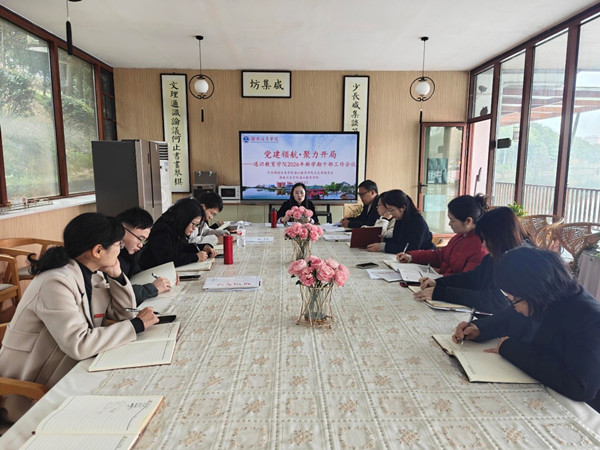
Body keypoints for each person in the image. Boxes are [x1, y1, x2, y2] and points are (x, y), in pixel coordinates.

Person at [0, 213, 158, 423]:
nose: (120, 250)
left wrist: (118, 276)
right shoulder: (55, 282)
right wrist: (136, 325)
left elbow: (123, 314)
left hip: (63, 370)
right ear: (98, 250)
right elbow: (79, 344)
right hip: (29, 391)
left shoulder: (93, 273)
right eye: (118, 245)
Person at [453, 247, 600, 412]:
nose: (513, 306)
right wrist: (478, 328)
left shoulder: (590, 318)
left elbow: (580, 386)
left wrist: (510, 349)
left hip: (578, 411)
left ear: (534, 292)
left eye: (514, 300)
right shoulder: (545, 298)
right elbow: (507, 318)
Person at [414, 206, 531, 313]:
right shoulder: (495, 256)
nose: (483, 244)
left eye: (487, 239)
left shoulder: (521, 262)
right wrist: (438, 283)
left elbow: (495, 300)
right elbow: (472, 278)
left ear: (500, 238)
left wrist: (442, 293)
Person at [396, 194, 488, 275]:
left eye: (452, 221)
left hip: (448, 286)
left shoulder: (479, 248)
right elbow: (440, 255)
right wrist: (412, 257)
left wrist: (439, 279)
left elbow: (465, 280)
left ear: (468, 221)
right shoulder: (460, 236)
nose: (449, 224)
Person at [139, 198, 216, 269]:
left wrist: (203, 247)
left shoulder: (176, 227)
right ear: (184, 219)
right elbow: (166, 259)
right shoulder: (163, 230)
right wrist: (195, 257)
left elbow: (181, 248)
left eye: (196, 225)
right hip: (151, 272)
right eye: (193, 224)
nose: (194, 228)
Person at [116, 207, 171, 305]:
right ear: (122, 229)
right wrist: (152, 288)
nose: (140, 245)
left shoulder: (128, 254)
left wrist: (168, 277)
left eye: (144, 240)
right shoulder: (109, 256)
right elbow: (115, 295)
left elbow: (138, 275)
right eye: (140, 238)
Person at [366, 189, 434, 253]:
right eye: (389, 210)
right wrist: (384, 240)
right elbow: (397, 242)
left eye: (392, 210)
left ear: (402, 208)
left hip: (424, 258)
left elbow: (411, 249)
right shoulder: (400, 219)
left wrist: (383, 247)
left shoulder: (417, 222)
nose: (390, 213)